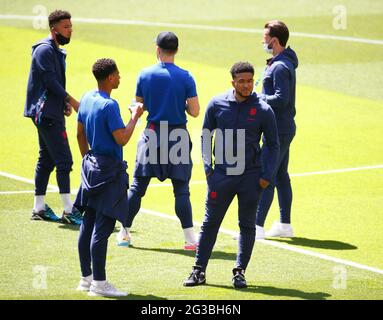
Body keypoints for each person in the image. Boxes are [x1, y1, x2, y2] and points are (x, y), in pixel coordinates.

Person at [183, 62, 279, 288]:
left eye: (250, 81)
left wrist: (265, 176)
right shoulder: (217, 104)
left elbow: (273, 145)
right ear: (232, 82)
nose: (246, 85)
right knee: (210, 224)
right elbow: (206, 135)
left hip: (251, 178)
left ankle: (239, 272)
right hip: (222, 176)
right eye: (241, 81)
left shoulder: (264, 109)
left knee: (246, 225)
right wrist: (208, 168)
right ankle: (199, 271)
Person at [116, 31, 200, 251]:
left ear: (157, 49)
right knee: (181, 190)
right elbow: (195, 111)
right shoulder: (186, 76)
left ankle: (124, 233)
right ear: (177, 50)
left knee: (137, 188)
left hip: (152, 134)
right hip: (177, 136)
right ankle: (190, 239)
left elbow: (138, 107)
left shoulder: (145, 75)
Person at [74, 58, 143, 297]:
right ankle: (100, 284)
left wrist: (87, 161)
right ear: (111, 77)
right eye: (118, 74)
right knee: (103, 227)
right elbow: (122, 138)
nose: (120, 77)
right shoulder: (110, 105)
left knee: (88, 222)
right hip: (109, 171)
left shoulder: (85, 98)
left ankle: (86, 278)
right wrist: (135, 116)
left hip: (91, 166)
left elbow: (80, 134)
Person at [24, 10, 82, 224]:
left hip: (50, 111)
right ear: (54, 29)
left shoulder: (55, 51)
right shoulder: (44, 51)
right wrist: (72, 101)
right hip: (45, 113)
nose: (70, 31)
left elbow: (53, 84)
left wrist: (63, 103)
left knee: (46, 159)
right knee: (64, 160)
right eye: (66, 27)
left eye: (71, 27)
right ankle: (68, 211)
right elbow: (49, 82)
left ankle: (38, 208)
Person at [255, 21, 299, 239]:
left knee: (267, 176)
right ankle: (284, 225)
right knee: (281, 176)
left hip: (279, 130)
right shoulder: (279, 63)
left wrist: (258, 98)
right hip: (282, 128)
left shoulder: (280, 67)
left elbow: (281, 99)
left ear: (274, 40)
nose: (263, 40)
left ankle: (256, 227)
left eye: (265, 37)